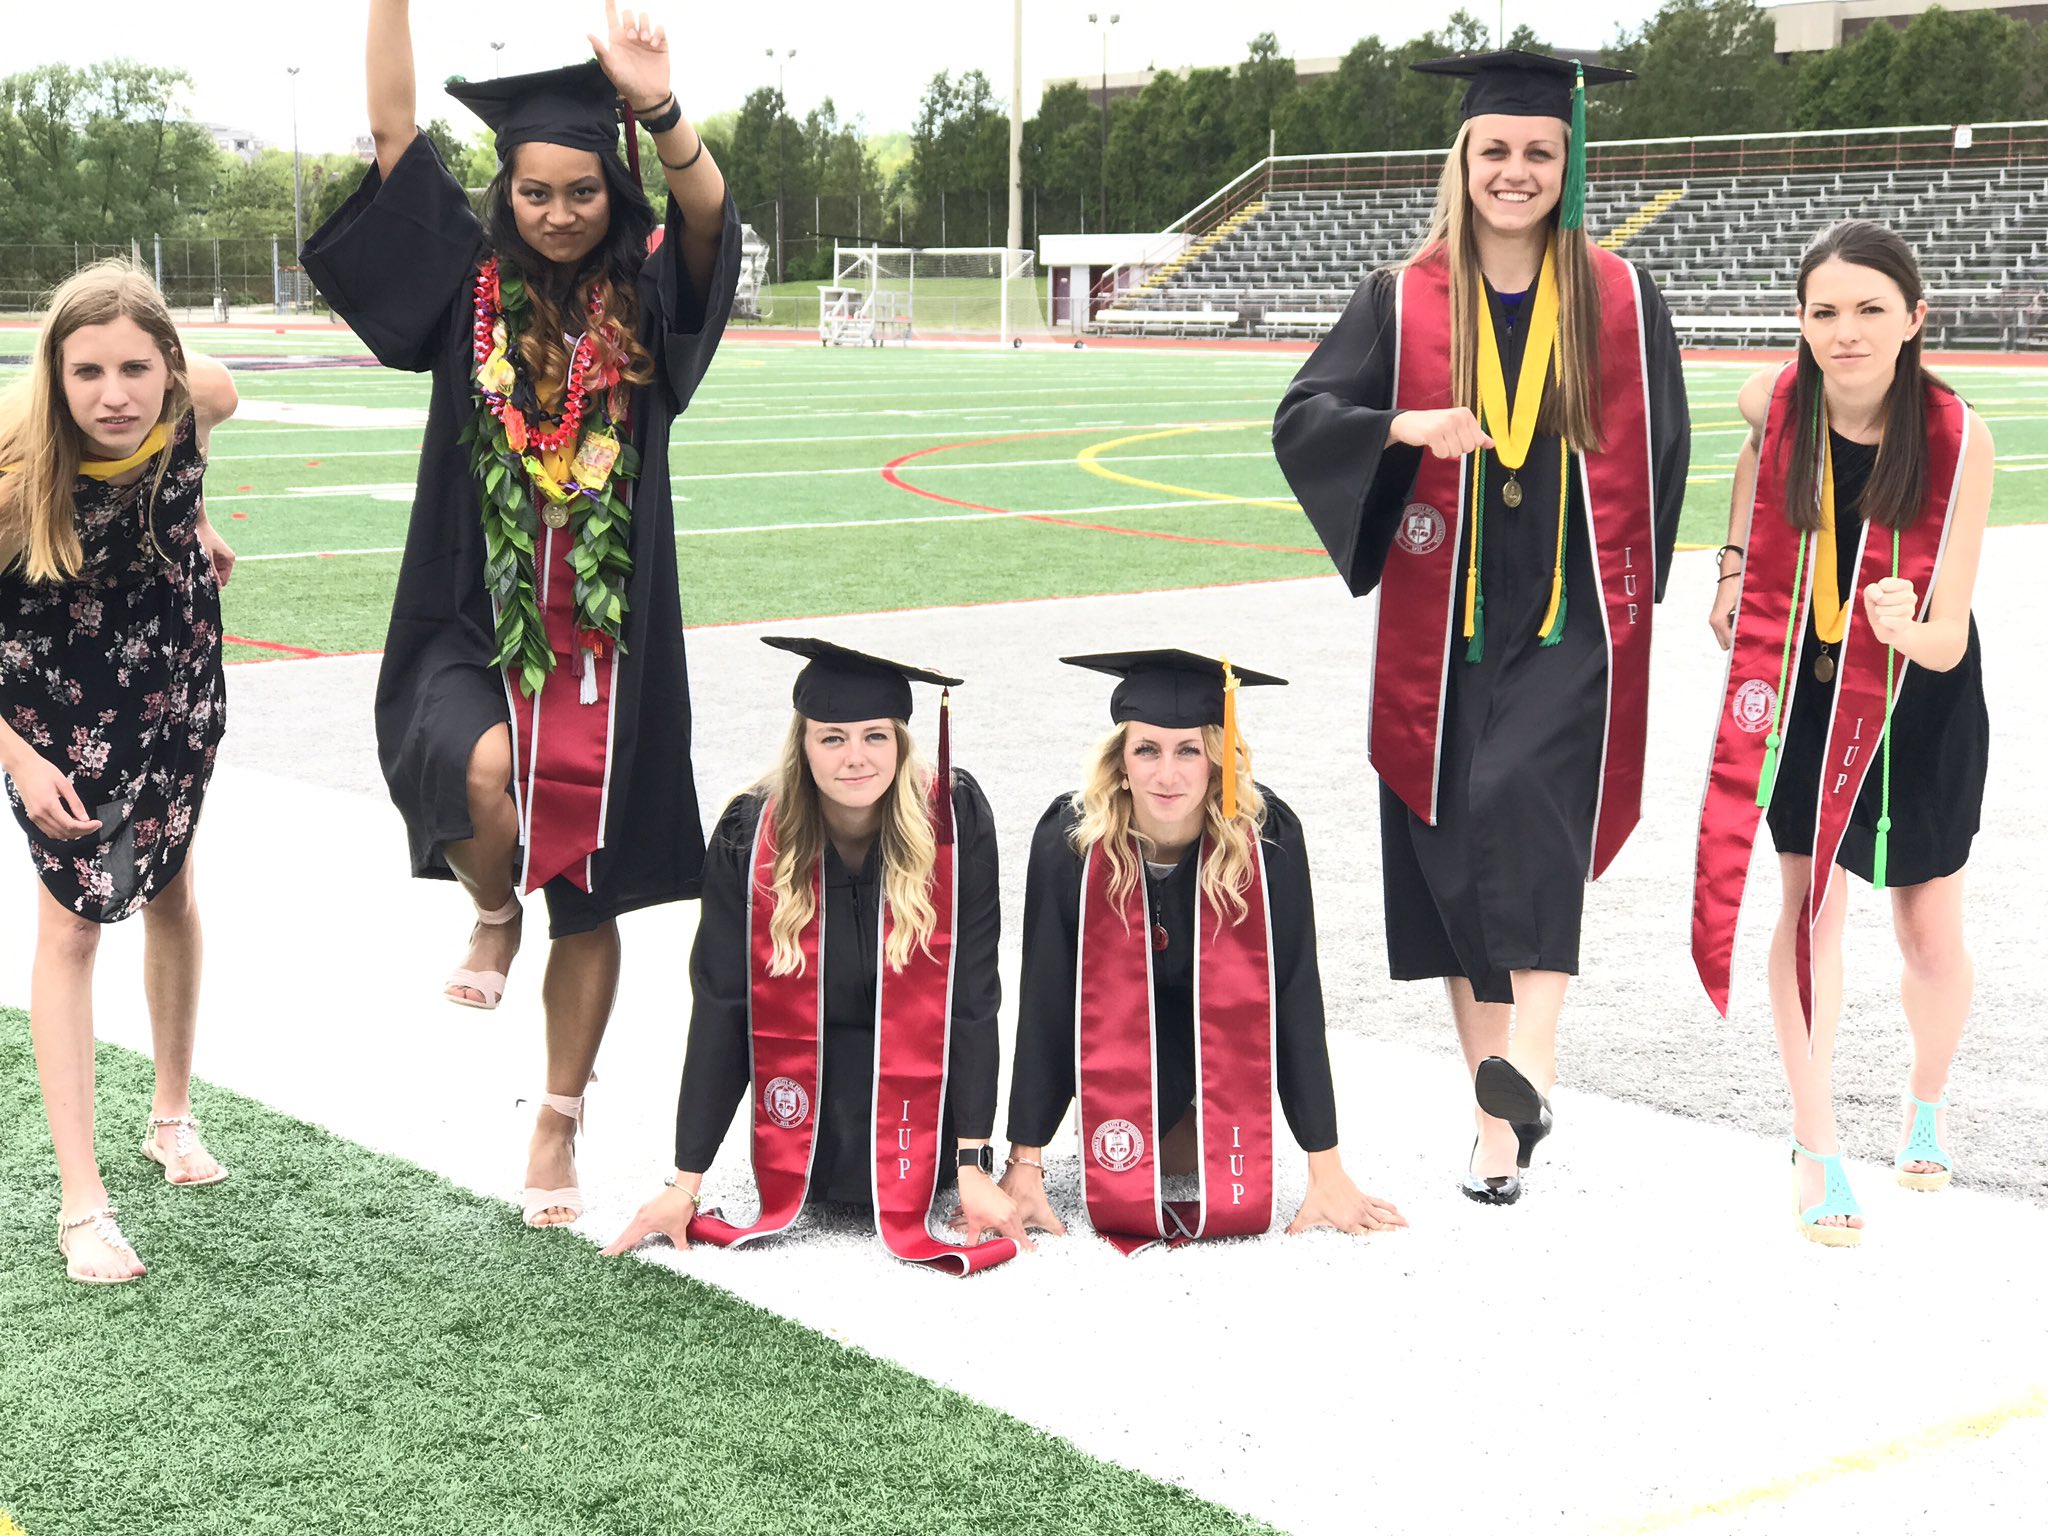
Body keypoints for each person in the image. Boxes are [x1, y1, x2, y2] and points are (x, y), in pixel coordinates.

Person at [301, 0, 740, 1225]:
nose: (557, 212)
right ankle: (493, 911)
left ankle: (558, 1123)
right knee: (475, 765)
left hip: (607, 643)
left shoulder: (647, 298)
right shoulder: (468, 287)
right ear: (509, 194)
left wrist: (657, 109)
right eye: (536, 192)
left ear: (612, 192)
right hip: (467, 612)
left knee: (592, 891)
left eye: (582, 193)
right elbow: (394, 131)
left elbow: (707, 218)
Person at [1272, 51, 1690, 1204]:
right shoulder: (1399, 298)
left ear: (1569, 164)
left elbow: (1660, 455)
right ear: (1460, 161)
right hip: (1444, 622)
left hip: (1564, 618)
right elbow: (1306, 416)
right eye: (1494, 150)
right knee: (1452, 856)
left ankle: (1529, 1060)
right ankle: (1495, 1126)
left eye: (1538, 153)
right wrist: (1403, 425)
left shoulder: (1618, 296)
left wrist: (1630, 591)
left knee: (1522, 809)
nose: (1515, 171)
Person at [1693, 221, 1992, 1247]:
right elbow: (1746, 448)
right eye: (1823, 311)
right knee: (1807, 901)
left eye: (1869, 309)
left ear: (1914, 319)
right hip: (1808, 686)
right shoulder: (1779, 400)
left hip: (1920, 696)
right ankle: (1813, 1141)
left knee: (1924, 931)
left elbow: (1949, 635)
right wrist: (1732, 565)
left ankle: (1923, 1100)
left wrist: (1912, 627)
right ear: (1799, 323)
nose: (1845, 331)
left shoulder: (1955, 437)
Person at [604, 638, 1026, 1274]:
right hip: (803, 1096)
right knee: (836, 1169)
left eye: (874, 737)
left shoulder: (953, 820)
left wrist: (973, 1162)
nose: (855, 758)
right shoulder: (749, 836)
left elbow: (972, 993)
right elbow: (722, 1003)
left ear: (902, 742)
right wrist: (684, 1182)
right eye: (832, 738)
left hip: (922, 1099)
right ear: (802, 746)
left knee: (913, 1141)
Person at [0, 259, 239, 1283]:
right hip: (59, 716)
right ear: (53, 373)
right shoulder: (15, 475)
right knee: (72, 927)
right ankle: (80, 1205)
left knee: (175, 893)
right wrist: (15, 752)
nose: (113, 394)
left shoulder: (200, 403)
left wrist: (194, 523)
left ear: (170, 366)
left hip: (177, 688)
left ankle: (170, 1118)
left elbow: (195, 423)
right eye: (86, 369)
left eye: (136, 367)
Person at [1001, 650, 1406, 1253]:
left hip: (1220, 1055)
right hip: (1116, 1051)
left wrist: (1326, 1168)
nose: (1168, 774)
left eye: (1188, 749)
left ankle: (1189, 1122)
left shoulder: (1267, 839)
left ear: (1217, 757)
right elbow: (1047, 1001)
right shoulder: (1072, 844)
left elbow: (1294, 994)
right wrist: (1025, 1162)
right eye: (1147, 750)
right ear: (1119, 762)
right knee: (1154, 1159)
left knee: (1189, 1158)